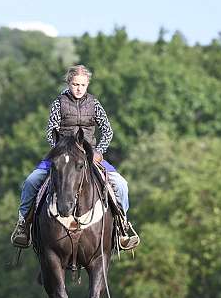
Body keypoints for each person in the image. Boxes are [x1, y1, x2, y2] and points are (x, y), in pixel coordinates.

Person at [11, 64, 140, 250]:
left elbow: (107, 131)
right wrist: (61, 150)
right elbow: (50, 132)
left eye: (82, 85)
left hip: (90, 155)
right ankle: (23, 224)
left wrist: (99, 151)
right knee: (31, 181)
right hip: (62, 155)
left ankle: (123, 227)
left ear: (87, 85)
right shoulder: (59, 102)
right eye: (75, 84)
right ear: (69, 83)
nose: (78, 88)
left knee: (121, 185)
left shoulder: (94, 104)